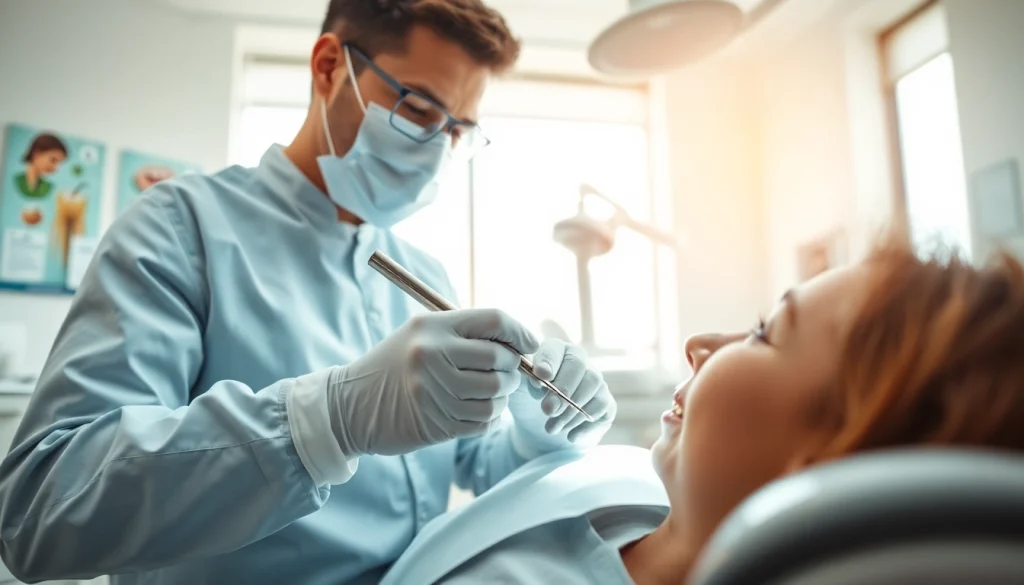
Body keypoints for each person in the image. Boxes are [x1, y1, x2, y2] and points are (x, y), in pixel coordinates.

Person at [0, 2, 617, 584]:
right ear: (329, 67)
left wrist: (534, 435)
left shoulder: (422, 273)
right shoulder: (181, 229)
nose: (436, 150)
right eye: (420, 111)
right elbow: (39, 511)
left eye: (458, 130)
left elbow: (474, 466)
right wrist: (325, 423)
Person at [380, 233, 1024, 584]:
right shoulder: (639, 480)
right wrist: (533, 447)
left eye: (765, 332)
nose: (699, 345)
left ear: (831, 465)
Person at [15, 133, 67, 199]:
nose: (55, 168)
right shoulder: (16, 180)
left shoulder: (48, 187)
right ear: (36, 153)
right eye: (53, 160)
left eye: (59, 163)